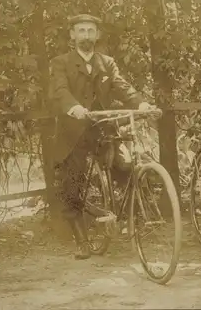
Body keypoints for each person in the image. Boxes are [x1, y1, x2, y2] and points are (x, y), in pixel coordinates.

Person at [48, 14, 155, 260]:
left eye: (90, 31)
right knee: (72, 183)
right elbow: (60, 90)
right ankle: (82, 241)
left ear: (97, 35)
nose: (86, 36)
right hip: (73, 131)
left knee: (126, 166)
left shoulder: (106, 62)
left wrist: (141, 104)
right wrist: (73, 107)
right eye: (81, 31)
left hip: (103, 128)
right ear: (72, 35)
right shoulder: (60, 62)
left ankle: (128, 220)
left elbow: (121, 85)